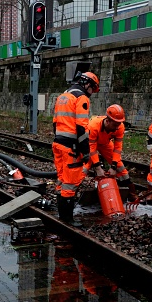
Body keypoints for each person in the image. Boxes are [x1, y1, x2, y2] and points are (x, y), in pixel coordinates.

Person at [52, 71, 100, 225]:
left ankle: (61, 215)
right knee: (70, 184)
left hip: (58, 144)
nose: (92, 93)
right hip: (70, 148)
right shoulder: (81, 98)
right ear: (88, 84)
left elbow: (55, 123)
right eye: (93, 89)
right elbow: (82, 128)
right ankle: (67, 219)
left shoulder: (63, 96)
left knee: (61, 180)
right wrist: (86, 152)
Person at [87, 104, 137, 201]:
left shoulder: (120, 126)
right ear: (107, 120)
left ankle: (131, 194)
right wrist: (97, 167)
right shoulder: (93, 126)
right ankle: (71, 193)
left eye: (119, 124)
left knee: (120, 167)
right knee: (84, 167)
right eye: (115, 125)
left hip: (105, 143)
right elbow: (92, 149)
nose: (117, 127)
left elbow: (117, 148)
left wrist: (113, 166)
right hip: (91, 144)